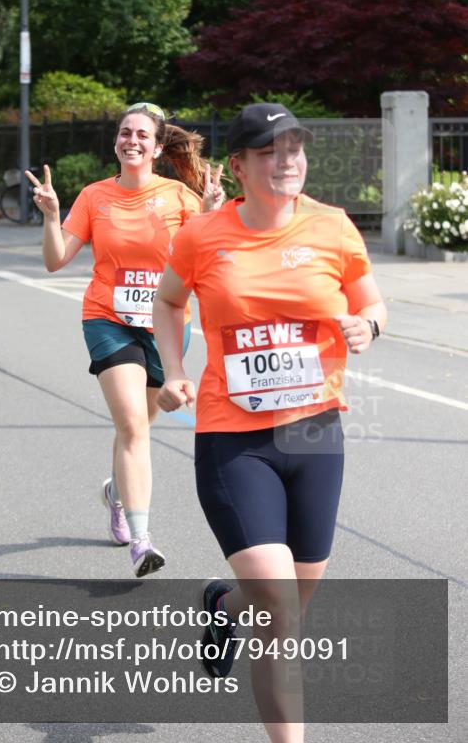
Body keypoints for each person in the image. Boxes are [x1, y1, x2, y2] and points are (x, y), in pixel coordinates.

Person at [153, 102, 387, 740]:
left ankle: (225, 606)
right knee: (280, 613)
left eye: (294, 149)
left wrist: (368, 326)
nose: (288, 161)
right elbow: (169, 301)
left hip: (315, 433)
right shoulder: (204, 235)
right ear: (238, 165)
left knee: (284, 607)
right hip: (234, 437)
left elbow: (372, 303)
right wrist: (172, 369)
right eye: (270, 151)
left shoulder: (334, 227)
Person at [25, 103, 224, 577]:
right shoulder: (94, 197)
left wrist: (212, 216)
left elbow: (205, 260)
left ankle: (117, 493)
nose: (130, 140)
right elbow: (56, 261)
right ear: (116, 142)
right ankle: (142, 540)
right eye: (124, 133)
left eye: (141, 135)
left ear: (157, 148)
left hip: (166, 325)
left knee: (138, 428)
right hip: (108, 318)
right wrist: (52, 216)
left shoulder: (180, 197)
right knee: (134, 425)